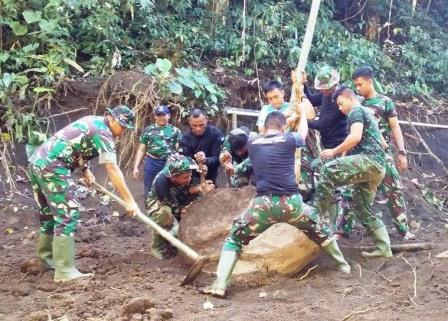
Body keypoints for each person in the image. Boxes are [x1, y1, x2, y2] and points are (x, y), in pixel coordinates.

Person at [202, 109, 350, 298]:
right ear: (283, 127)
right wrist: (302, 116)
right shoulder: (289, 139)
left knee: (234, 239)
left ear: (264, 127)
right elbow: (302, 133)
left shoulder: (253, 142)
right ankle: (344, 266)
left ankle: (220, 284)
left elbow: (265, 135)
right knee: (321, 231)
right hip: (293, 204)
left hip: (263, 205)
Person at [28, 105, 140, 282]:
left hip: (37, 163)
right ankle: (64, 271)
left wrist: (85, 169)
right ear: (111, 118)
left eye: (127, 128)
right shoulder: (103, 133)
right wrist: (129, 200)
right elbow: (112, 168)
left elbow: (73, 144)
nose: (123, 131)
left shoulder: (92, 121)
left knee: (48, 214)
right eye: (123, 126)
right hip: (53, 168)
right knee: (67, 213)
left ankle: (47, 260)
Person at [315, 86, 392, 259]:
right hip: (378, 166)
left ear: (348, 98)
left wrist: (333, 152)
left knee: (328, 169)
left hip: (370, 161)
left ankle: (315, 215)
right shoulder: (367, 112)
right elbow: (383, 143)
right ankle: (384, 247)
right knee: (360, 205)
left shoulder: (356, 110)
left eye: (341, 104)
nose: (340, 109)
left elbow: (355, 137)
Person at [338, 66, 414, 240]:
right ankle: (343, 231)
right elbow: (352, 135)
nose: (357, 89)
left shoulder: (385, 102)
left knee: (393, 190)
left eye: (360, 84)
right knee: (350, 191)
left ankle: (403, 230)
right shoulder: (357, 106)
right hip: (360, 156)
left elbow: (395, 127)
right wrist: (344, 157)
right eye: (355, 86)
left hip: (381, 154)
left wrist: (402, 152)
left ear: (370, 81)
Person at [145, 154, 215, 259]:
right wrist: (183, 211)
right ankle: (159, 247)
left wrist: (200, 188)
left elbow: (184, 191)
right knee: (165, 215)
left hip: (178, 199)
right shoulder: (161, 183)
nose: (189, 179)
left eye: (190, 175)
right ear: (173, 177)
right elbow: (171, 205)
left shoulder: (182, 174)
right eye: (186, 177)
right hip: (161, 204)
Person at [132, 105, 182, 196]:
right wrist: (136, 167)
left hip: (169, 163)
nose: (161, 117)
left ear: (169, 116)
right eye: (159, 115)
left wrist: (178, 165)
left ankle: (166, 208)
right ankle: (149, 207)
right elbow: (141, 149)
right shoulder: (148, 130)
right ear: (155, 116)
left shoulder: (176, 131)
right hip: (152, 162)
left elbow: (178, 150)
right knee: (149, 188)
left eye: (164, 115)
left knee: (168, 188)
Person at [179, 108, 224, 184]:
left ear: (206, 120)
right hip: (191, 178)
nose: (198, 128)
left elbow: (219, 158)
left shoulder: (215, 134)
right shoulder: (185, 140)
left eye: (201, 125)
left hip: (212, 176)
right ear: (189, 121)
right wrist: (198, 166)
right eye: (194, 125)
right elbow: (185, 163)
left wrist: (206, 160)